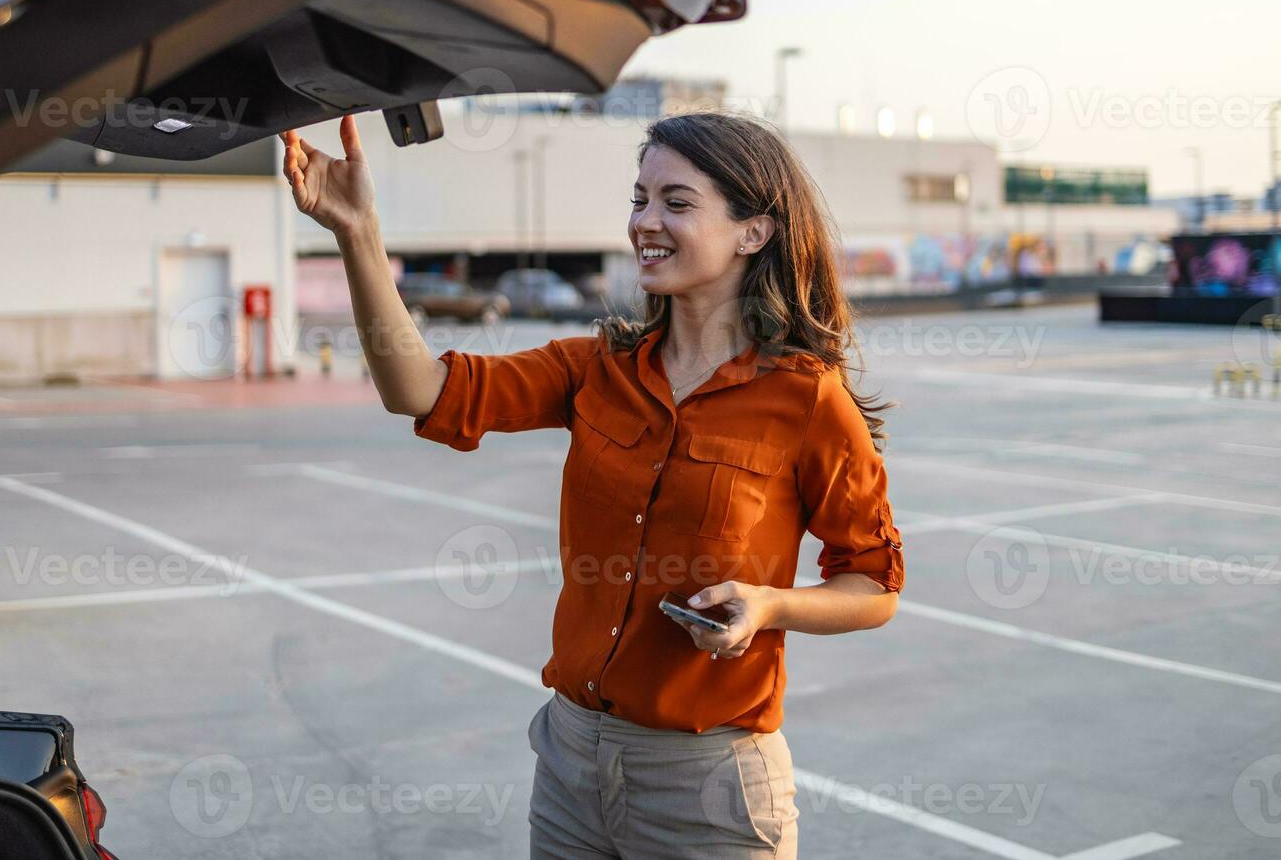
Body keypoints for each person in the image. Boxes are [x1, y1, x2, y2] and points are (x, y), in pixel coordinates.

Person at [280, 111, 905, 859]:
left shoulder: (806, 398)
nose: (646, 221)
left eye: (677, 203)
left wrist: (770, 606)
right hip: (570, 765)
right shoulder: (594, 367)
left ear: (754, 232)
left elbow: (875, 584)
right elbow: (419, 388)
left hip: (707, 788)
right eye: (640, 199)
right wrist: (357, 232)